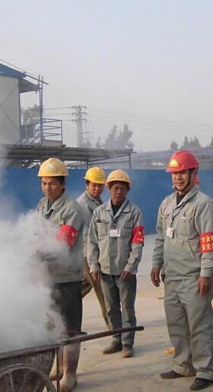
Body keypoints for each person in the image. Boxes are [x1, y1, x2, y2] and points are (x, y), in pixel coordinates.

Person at [151, 150, 213, 391]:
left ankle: (206, 370)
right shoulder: (166, 204)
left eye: (182, 172)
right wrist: (156, 264)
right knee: (177, 325)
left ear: (194, 173)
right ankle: (183, 364)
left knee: (200, 326)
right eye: (174, 173)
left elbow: (209, 243)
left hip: (194, 277)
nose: (178, 178)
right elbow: (160, 237)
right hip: (172, 276)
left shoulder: (204, 205)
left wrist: (206, 273)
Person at [36, 158, 85, 392]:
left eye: (52, 184)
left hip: (67, 278)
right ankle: (60, 366)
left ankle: (71, 375)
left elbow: (62, 245)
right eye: (44, 183)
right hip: (48, 277)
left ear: (63, 183)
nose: (47, 188)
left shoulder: (72, 209)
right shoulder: (41, 206)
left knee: (70, 328)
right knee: (53, 325)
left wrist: (33, 254)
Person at [88, 169, 144, 358]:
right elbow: (92, 241)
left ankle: (127, 343)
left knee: (127, 309)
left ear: (127, 190)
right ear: (109, 189)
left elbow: (137, 242)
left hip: (124, 272)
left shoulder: (134, 212)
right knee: (111, 308)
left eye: (122, 188)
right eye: (115, 188)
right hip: (104, 270)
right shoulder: (99, 213)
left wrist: (130, 266)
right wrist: (94, 265)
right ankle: (115, 339)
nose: (118, 192)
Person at [76, 167, 110, 330]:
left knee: (82, 287)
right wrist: (95, 260)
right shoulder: (84, 204)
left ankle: (59, 310)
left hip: (92, 252)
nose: (97, 188)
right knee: (103, 290)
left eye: (100, 185)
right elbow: (91, 234)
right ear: (87, 184)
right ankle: (113, 327)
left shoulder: (96, 201)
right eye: (94, 185)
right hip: (88, 254)